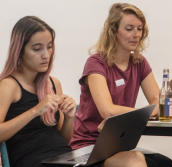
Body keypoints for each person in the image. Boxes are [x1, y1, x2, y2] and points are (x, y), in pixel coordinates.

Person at [0, 16, 147, 167]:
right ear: (20, 50)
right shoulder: (9, 85)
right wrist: (35, 110)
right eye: (37, 49)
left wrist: (69, 117)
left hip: (64, 157)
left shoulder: (52, 84)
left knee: (134, 158)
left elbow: (66, 138)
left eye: (49, 47)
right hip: (35, 161)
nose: (46, 55)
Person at [69, 3, 172, 167]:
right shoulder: (96, 63)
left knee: (167, 165)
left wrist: (151, 108)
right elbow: (108, 110)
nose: (136, 35)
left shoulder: (139, 62)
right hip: (90, 146)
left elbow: (160, 103)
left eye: (139, 29)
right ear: (113, 32)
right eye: (129, 29)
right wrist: (148, 110)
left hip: (119, 145)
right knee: (138, 161)